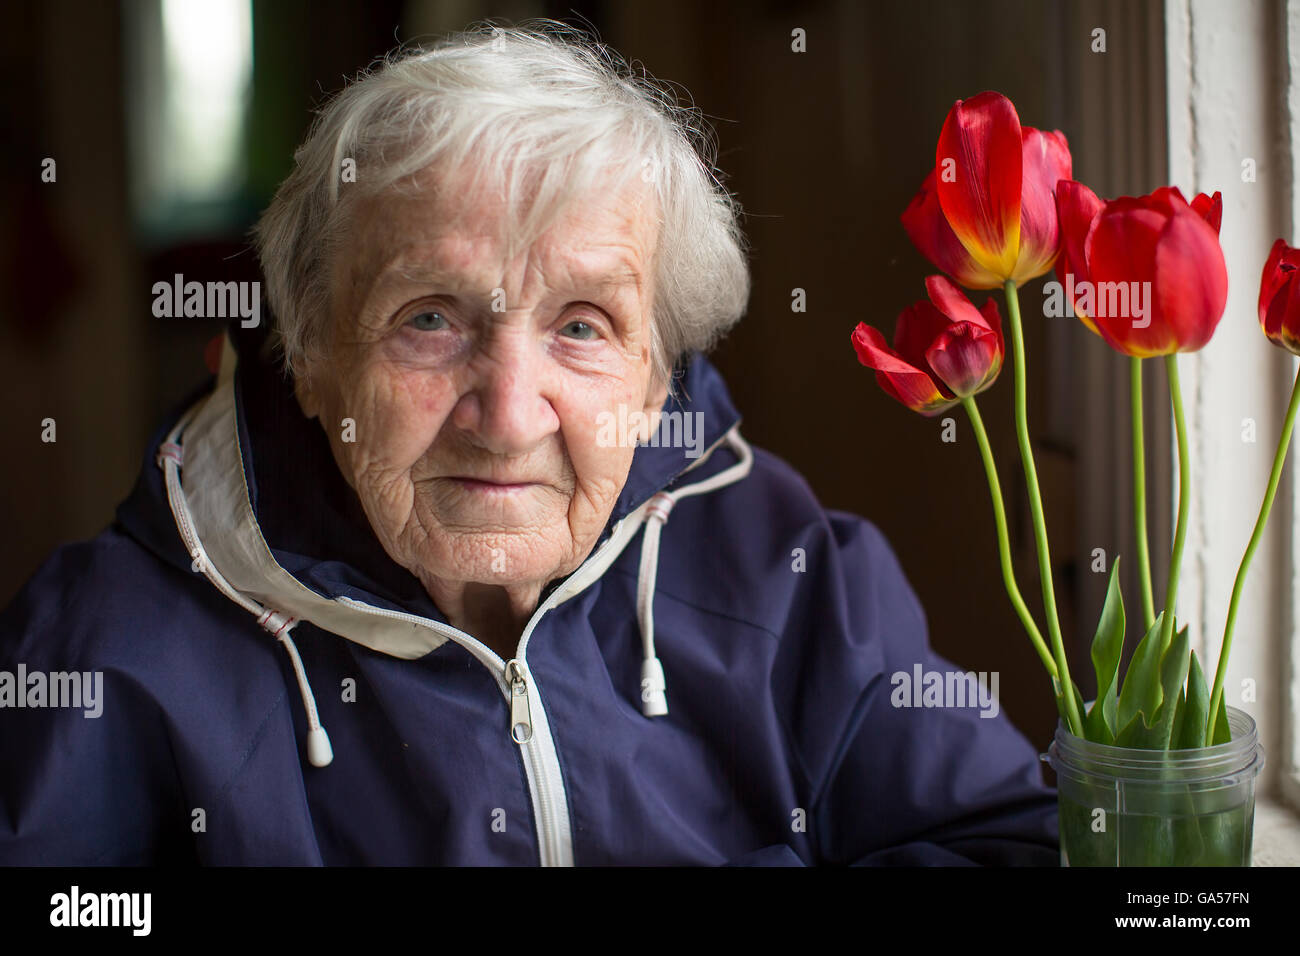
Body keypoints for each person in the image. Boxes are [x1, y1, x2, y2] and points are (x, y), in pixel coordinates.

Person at [0, 22, 1058, 865]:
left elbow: (1007, 839)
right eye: (429, 317)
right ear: (311, 356)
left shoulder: (786, 569)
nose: (508, 415)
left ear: (655, 379)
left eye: (582, 326)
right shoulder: (105, 645)